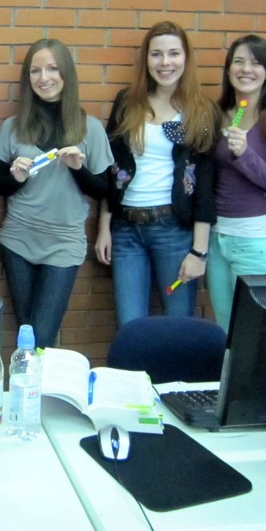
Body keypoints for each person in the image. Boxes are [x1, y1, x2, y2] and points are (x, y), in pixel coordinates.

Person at [0, 39, 113, 349]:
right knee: (27, 334)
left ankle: (43, 393)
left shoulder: (90, 128)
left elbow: (104, 190)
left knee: (42, 336)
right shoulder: (14, 127)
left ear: (66, 74)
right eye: (35, 71)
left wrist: (78, 169)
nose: (43, 78)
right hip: (18, 239)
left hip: (63, 243)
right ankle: (33, 395)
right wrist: (16, 178)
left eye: (52, 69)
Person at [95, 21, 219, 327]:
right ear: (146, 60)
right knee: (130, 326)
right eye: (156, 54)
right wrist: (104, 227)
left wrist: (199, 252)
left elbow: (205, 185)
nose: (165, 63)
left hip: (174, 233)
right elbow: (113, 168)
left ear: (186, 58)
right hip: (126, 232)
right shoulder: (128, 102)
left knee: (178, 326)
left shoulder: (201, 111)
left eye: (174, 54)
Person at [206, 35, 266, 330]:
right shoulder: (220, 115)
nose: (246, 69)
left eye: (256, 63)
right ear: (228, 69)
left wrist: (245, 154)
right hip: (217, 240)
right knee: (227, 332)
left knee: (258, 334)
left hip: (258, 242)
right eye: (239, 61)